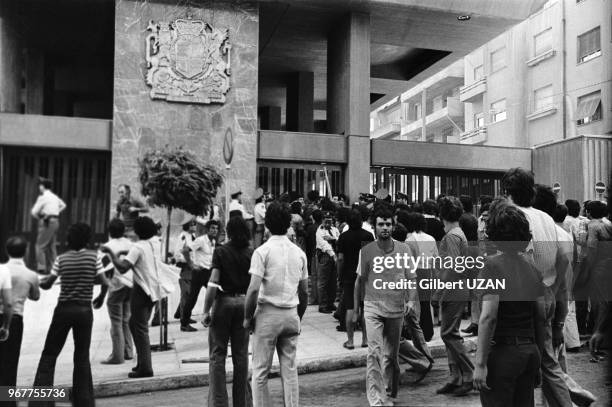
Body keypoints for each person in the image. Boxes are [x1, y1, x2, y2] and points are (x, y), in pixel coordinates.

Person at [502, 168, 572, 406]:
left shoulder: (512, 216)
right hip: (548, 292)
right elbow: (563, 256)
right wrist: (553, 286)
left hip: (525, 298)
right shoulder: (545, 217)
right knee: (546, 358)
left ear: (507, 192)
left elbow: (521, 258)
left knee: (526, 361)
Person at [473, 199, 546, 407]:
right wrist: (538, 360)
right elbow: (541, 317)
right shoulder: (533, 268)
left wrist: (480, 363)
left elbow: (489, 317)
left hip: (503, 354)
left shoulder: (491, 267)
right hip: (529, 351)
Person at [31, 223, 107, 407]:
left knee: (50, 352)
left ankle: (41, 401)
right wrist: (100, 298)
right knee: (81, 355)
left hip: (64, 309)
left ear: (69, 239)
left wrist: (38, 282)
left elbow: (49, 283)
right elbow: (105, 282)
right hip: (84, 310)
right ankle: (84, 401)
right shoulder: (94, 257)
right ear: (87, 239)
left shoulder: (61, 259)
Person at [244, 202, 308, 407]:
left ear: (268, 225)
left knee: (260, 370)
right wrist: (299, 315)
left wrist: (247, 317)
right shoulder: (299, 253)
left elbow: (253, 289)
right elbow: (304, 291)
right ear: (288, 223)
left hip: (267, 314)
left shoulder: (262, 252)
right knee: (290, 370)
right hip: (291, 312)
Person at [354, 207, 418, 406]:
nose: (385, 228)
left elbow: (412, 280)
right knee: (374, 353)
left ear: (393, 225)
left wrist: (410, 301)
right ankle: (376, 399)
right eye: (381, 224)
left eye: (388, 224)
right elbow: (359, 281)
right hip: (373, 308)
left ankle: (390, 393)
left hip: (396, 308)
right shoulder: (366, 251)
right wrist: (357, 309)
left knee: (391, 356)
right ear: (374, 227)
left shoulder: (404, 249)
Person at [202, 216, 253, 407]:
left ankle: (219, 403)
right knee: (241, 356)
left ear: (229, 232)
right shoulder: (251, 253)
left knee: (218, 354)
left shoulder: (221, 251)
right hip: (244, 303)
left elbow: (213, 283)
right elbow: (255, 285)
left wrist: (206, 311)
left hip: (223, 303)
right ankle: (243, 403)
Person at [102, 216, 162, 378]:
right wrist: (124, 252)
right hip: (152, 290)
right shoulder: (154, 244)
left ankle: (146, 367)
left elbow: (122, 268)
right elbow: (136, 254)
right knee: (133, 324)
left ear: (137, 231)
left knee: (141, 329)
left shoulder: (138, 247)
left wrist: (111, 254)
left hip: (141, 291)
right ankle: (141, 362)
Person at [436, 196, 474, 396]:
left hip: (453, 287)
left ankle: (469, 373)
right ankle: (456, 376)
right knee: (450, 332)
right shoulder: (458, 233)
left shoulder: (451, 236)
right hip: (458, 287)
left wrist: (438, 291)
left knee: (448, 333)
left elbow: (451, 267)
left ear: (442, 214)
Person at [93, 219, 134, 364]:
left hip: (116, 286)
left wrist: (102, 295)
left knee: (116, 322)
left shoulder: (106, 248)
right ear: (123, 230)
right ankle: (128, 351)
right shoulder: (131, 244)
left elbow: (106, 274)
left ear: (109, 231)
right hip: (130, 285)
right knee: (126, 320)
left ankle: (117, 355)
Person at [0, 236, 36, 403]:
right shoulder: (30, 274)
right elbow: (35, 296)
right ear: (25, 252)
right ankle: (7, 400)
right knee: (10, 361)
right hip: (14, 319)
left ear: (7, 251)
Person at [337, 209, 374, 349]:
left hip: (348, 275)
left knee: (350, 307)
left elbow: (340, 258)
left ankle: (350, 341)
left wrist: (339, 275)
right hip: (365, 276)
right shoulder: (368, 236)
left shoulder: (344, 237)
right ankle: (365, 339)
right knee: (365, 308)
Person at [401, 211, 438, 342]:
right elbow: (435, 260)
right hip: (428, 272)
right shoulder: (431, 238)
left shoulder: (409, 240)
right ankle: (428, 331)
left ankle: (415, 331)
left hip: (415, 273)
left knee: (413, 304)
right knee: (425, 303)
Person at [181, 220, 219, 332]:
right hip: (199, 272)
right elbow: (185, 250)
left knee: (216, 295)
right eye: (212, 228)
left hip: (209, 273)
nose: (215, 230)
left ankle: (212, 319)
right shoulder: (200, 240)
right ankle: (184, 323)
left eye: (216, 228)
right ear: (207, 229)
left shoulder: (213, 242)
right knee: (192, 298)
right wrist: (191, 265)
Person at [30, 177, 66, 274]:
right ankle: (55, 270)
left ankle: (41, 269)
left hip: (47, 222)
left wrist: (42, 216)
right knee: (51, 246)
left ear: (42, 187)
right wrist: (55, 212)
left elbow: (33, 212)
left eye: (40, 185)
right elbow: (63, 205)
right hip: (55, 222)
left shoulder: (42, 197)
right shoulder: (54, 197)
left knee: (40, 246)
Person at [459, 210, 481, 337]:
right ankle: (475, 322)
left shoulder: (466, 246)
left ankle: (476, 323)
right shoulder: (476, 244)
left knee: (474, 294)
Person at [173, 218, 197, 323]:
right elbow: (178, 254)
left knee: (189, 292)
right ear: (187, 226)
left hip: (192, 267)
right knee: (186, 293)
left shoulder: (192, 236)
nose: (194, 227)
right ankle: (184, 317)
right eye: (192, 225)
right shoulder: (182, 237)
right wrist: (188, 261)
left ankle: (181, 313)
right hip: (185, 267)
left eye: (195, 224)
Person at [316, 211, 340, 313]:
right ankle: (323, 305)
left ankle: (331, 303)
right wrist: (333, 255)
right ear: (322, 221)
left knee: (333, 281)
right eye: (325, 222)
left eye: (329, 222)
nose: (327, 224)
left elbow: (339, 239)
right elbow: (324, 245)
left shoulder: (335, 229)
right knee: (323, 281)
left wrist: (333, 239)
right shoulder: (319, 231)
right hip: (325, 255)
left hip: (335, 254)